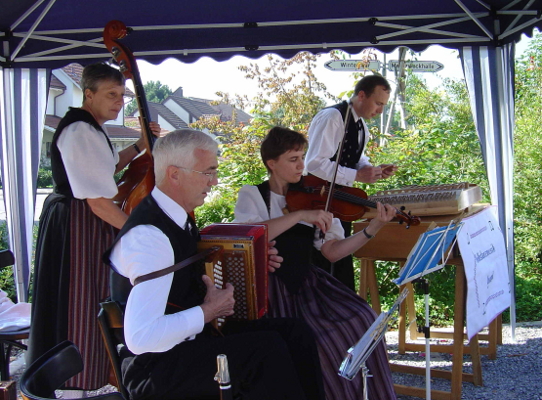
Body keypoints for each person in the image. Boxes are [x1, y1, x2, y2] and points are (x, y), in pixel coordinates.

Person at [105, 129, 326, 400]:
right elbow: (141, 338)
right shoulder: (150, 238)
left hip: (187, 344)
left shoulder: (175, 218)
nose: (215, 181)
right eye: (207, 172)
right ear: (174, 174)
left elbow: (187, 277)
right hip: (156, 368)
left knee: (294, 332)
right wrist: (208, 311)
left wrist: (253, 262)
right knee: (266, 350)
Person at [233, 127, 398, 400]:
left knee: (362, 320)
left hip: (308, 284)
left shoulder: (317, 197)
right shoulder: (254, 195)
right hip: (271, 289)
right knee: (319, 341)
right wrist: (302, 214)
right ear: (271, 164)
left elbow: (333, 252)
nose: (302, 165)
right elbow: (250, 234)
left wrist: (373, 228)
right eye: (293, 159)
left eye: (302, 157)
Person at [28, 62, 160, 397]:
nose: (119, 101)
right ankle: (76, 385)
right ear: (88, 95)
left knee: (90, 298)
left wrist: (139, 147)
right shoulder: (81, 131)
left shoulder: (91, 128)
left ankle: (92, 379)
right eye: (111, 94)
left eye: (122, 95)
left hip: (80, 219)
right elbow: (100, 202)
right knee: (80, 299)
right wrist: (144, 230)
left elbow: (106, 169)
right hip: (78, 222)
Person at [304, 74, 397, 291]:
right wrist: (357, 176)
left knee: (341, 263)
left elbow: (355, 160)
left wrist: (372, 170)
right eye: (378, 103)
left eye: (384, 105)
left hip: (339, 203)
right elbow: (315, 164)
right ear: (361, 95)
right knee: (323, 265)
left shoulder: (361, 126)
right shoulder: (332, 117)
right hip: (317, 202)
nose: (380, 110)